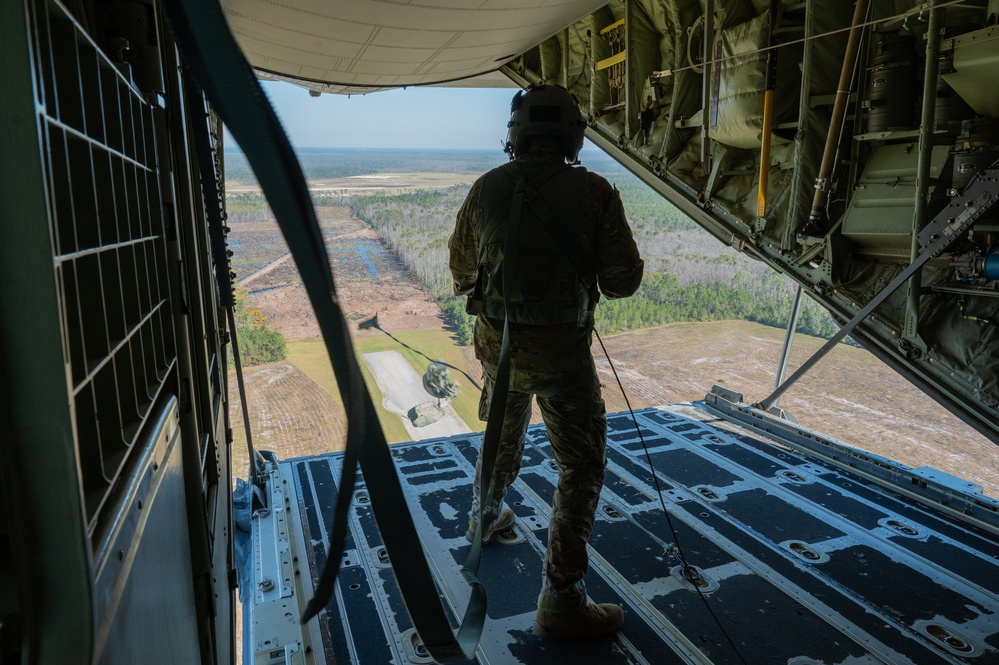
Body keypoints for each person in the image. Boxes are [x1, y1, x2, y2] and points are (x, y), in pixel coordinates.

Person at [448, 84, 644, 639]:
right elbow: (622, 282)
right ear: (572, 137)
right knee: (579, 467)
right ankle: (561, 598)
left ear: (515, 136)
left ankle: (484, 517)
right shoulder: (596, 191)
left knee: (502, 439)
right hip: (563, 361)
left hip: (500, 353)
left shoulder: (486, 189)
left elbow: (462, 270)